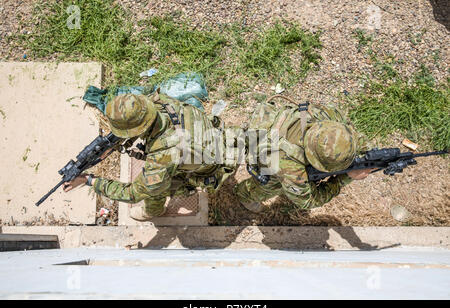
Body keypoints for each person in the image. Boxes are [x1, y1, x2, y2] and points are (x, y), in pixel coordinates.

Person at [63, 92, 236, 221]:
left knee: (154, 190)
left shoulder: (163, 156)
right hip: (208, 134)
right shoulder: (160, 102)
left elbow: (132, 193)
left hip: (209, 168)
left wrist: (88, 180)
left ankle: (153, 211)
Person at [234, 95, 374, 213]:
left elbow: (350, 135)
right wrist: (345, 178)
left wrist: (370, 152)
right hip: (272, 153)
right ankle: (244, 195)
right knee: (270, 185)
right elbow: (308, 201)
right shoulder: (289, 166)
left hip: (281, 127)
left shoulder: (329, 116)